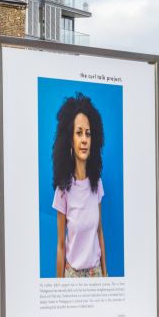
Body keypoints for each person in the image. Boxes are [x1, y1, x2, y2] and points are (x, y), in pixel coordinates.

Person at [52, 93, 107, 278]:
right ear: (70, 139)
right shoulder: (63, 190)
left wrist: (105, 276)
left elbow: (100, 233)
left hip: (96, 275)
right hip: (72, 278)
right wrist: (58, 290)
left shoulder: (96, 184)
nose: (84, 139)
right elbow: (60, 245)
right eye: (79, 133)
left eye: (88, 133)